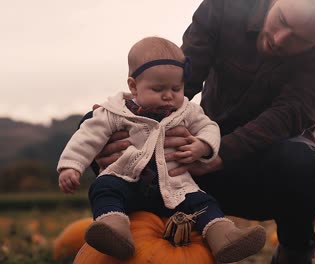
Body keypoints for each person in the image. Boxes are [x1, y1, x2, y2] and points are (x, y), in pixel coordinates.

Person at [95, 0, 315, 263]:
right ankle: (133, 235)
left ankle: (295, 251)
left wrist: (222, 151)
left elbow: (293, 110)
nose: (280, 38)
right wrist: (133, 121)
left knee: (304, 164)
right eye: (282, 19)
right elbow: (182, 77)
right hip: (199, 148)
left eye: (301, 40)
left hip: (264, 169)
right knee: (105, 135)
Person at [57, 36, 266, 262]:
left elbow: (209, 127)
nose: (168, 95)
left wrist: (203, 145)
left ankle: (224, 237)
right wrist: (72, 166)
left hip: (174, 184)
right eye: (158, 89)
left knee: (202, 202)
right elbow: (87, 137)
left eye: (176, 88)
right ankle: (113, 228)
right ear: (134, 86)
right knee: (105, 187)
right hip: (127, 178)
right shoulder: (115, 112)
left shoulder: (186, 111)